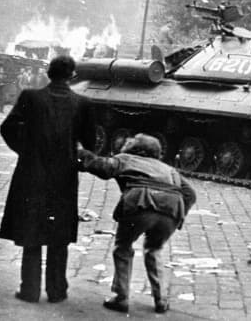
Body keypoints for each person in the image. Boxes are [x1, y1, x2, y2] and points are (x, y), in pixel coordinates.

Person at [0, 55, 96, 304]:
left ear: (48, 73)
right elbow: (91, 143)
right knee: (59, 234)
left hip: (32, 174)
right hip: (64, 178)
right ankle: (57, 291)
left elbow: (7, 128)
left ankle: (29, 290)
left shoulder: (31, 97)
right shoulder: (82, 102)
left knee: (32, 230)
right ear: (73, 75)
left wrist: (26, 151)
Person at [77, 133, 196, 314]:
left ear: (134, 147)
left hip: (140, 202)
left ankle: (121, 297)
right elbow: (190, 194)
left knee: (123, 247)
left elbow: (102, 168)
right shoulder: (168, 169)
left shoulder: (126, 159)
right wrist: (178, 214)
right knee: (154, 249)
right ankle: (161, 299)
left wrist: (80, 152)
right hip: (171, 208)